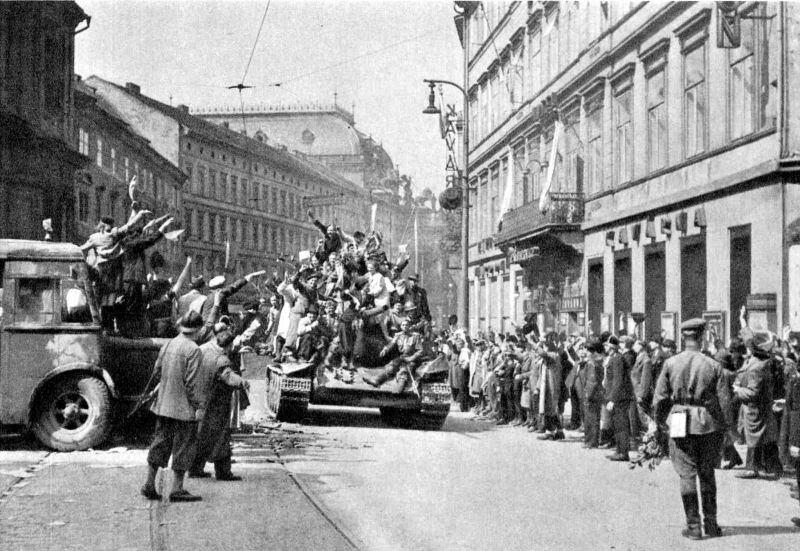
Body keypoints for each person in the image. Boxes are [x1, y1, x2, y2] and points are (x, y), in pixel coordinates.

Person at [653, 318, 731, 540]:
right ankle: (712, 524)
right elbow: (724, 402)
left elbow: (659, 398)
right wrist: (726, 429)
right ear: (703, 336)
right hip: (707, 423)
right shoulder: (714, 365)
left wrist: (659, 423)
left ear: (683, 337)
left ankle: (694, 526)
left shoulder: (670, 363)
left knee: (686, 474)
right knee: (707, 474)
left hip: (679, 420)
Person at [141, 311, 206, 503]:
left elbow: (157, 370)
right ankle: (177, 488)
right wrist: (199, 406)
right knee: (184, 446)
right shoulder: (194, 349)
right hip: (184, 408)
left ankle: (149, 484)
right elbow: (192, 383)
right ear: (199, 329)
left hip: (163, 405)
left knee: (160, 443)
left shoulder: (169, 343)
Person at [189, 318, 250, 481]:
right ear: (228, 345)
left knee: (201, 436)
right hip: (217, 403)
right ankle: (223, 472)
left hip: (201, 399)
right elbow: (228, 377)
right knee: (222, 437)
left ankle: (195, 468)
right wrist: (243, 381)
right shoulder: (221, 358)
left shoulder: (202, 349)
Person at [733, 332, 781, 479]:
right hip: (757, 408)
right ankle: (769, 466)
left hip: (755, 408)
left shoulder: (756, 367)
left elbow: (753, 392)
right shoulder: (760, 361)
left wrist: (738, 389)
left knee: (755, 436)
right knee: (761, 437)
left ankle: (753, 468)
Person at [363, 318, 424, 393]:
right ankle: (376, 380)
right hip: (401, 357)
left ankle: (399, 389)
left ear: (410, 326)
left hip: (411, 359)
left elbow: (420, 351)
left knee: (404, 371)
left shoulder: (415, 336)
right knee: (390, 367)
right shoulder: (398, 335)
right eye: (403, 325)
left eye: (407, 325)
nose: (405, 326)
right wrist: (385, 350)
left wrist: (411, 358)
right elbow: (391, 344)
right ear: (401, 326)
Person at [605, 335, 634, 462]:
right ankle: (619, 450)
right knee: (617, 424)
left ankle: (623, 452)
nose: (605, 347)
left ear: (611, 347)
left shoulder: (617, 359)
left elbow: (618, 381)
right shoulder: (614, 358)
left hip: (620, 398)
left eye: (607, 346)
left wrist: (612, 399)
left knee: (621, 425)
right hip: (618, 397)